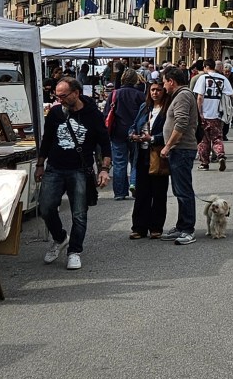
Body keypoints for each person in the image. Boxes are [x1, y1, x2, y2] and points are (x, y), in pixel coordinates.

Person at [35, 76, 112, 272]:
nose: (59, 100)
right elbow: (47, 139)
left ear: (76, 93)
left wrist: (104, 169)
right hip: (55, 167)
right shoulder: (55, 113)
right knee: (46, 208)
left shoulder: (93, 115)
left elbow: (105, 144)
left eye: (63, 96)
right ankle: (60, 238)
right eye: (57, 96)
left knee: (79, 213)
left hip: (79, 170)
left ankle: (74, 251)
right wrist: (40, 164)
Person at [159, 66, 200, 244]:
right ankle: (182, 225)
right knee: (179, 189)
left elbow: (181, 123)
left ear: (171, 81)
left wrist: (168, 146)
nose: (163, 86)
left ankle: (188, 229)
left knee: (183, 190)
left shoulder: (183, 95)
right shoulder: (180, 95)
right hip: (179, 149)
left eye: (164, 82)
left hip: (182, 149)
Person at [128, 81, 171, 237]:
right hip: (142, 154)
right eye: (152, 90)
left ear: (163, 92)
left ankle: (156, 227)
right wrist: (132, 134)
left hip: (159, 155)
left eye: (158, 90)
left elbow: (170, 133)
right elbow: (134, 125)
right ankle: (139, 228)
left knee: (159, 193)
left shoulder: (168, 109)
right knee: (142, 193)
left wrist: (153, 138)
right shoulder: (144, 107)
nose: (155, 93)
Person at [106, 68, 144, 200]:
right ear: (135, 80)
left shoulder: (114, 94)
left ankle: (119, 192)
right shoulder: (140, 95)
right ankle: (134, 184)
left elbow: (106, 113)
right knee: (136, 161)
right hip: (135, 133)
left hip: (117, 132)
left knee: (119, 163)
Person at [195, 58, 233, 171]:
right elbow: (232, 94)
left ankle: (204, 163)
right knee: (217, 138)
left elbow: (200, 97)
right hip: (217, 114)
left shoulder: (202, 78)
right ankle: (220, 154)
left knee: (203, 140)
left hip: (204, 114)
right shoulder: (223, 78)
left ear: (206, 67)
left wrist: (199, 112)